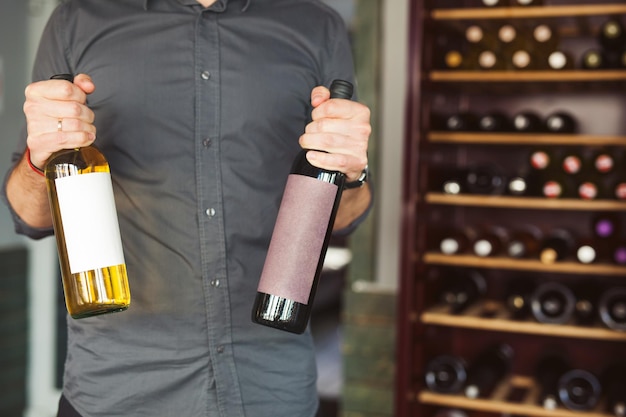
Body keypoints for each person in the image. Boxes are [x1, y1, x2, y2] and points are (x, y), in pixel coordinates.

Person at [2, 0, 372, 416]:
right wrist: (40, 159)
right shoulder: (77, 20)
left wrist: (352, 173)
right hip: (118, 387)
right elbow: (30, 215)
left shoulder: (317, 24)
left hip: (269, 384)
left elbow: (340, 218)